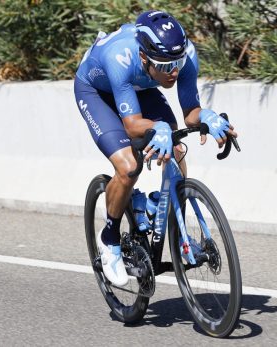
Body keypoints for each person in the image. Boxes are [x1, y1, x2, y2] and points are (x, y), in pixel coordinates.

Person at [74, 10, 238, 286]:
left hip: (138, 86)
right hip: (96, 91)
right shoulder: (121, 58)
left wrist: (207, 117)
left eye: (178, 63)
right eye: (164, 66)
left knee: (175, 147)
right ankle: (110, 240)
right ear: (143, 57)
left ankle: (170, 221)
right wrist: (156, 129)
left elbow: (190, 112)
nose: (173, 72)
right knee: (129, 168)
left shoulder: (181, 56)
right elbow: (132, 125)